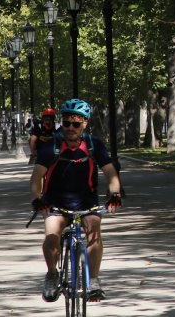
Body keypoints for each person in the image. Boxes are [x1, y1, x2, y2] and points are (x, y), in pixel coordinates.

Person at [30, 98, 122, 303]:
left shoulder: (94, 145)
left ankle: (94, 280)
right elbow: (36, 177)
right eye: (66, 123)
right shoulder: (51, 146)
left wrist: (115, 194)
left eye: (76, 123)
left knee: (94, 233)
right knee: (52, 237)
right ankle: (52, 274)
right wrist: (37, 199)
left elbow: (110, 172)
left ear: (85, 124)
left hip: (87, 202)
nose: (70, 128)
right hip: (55, 202)